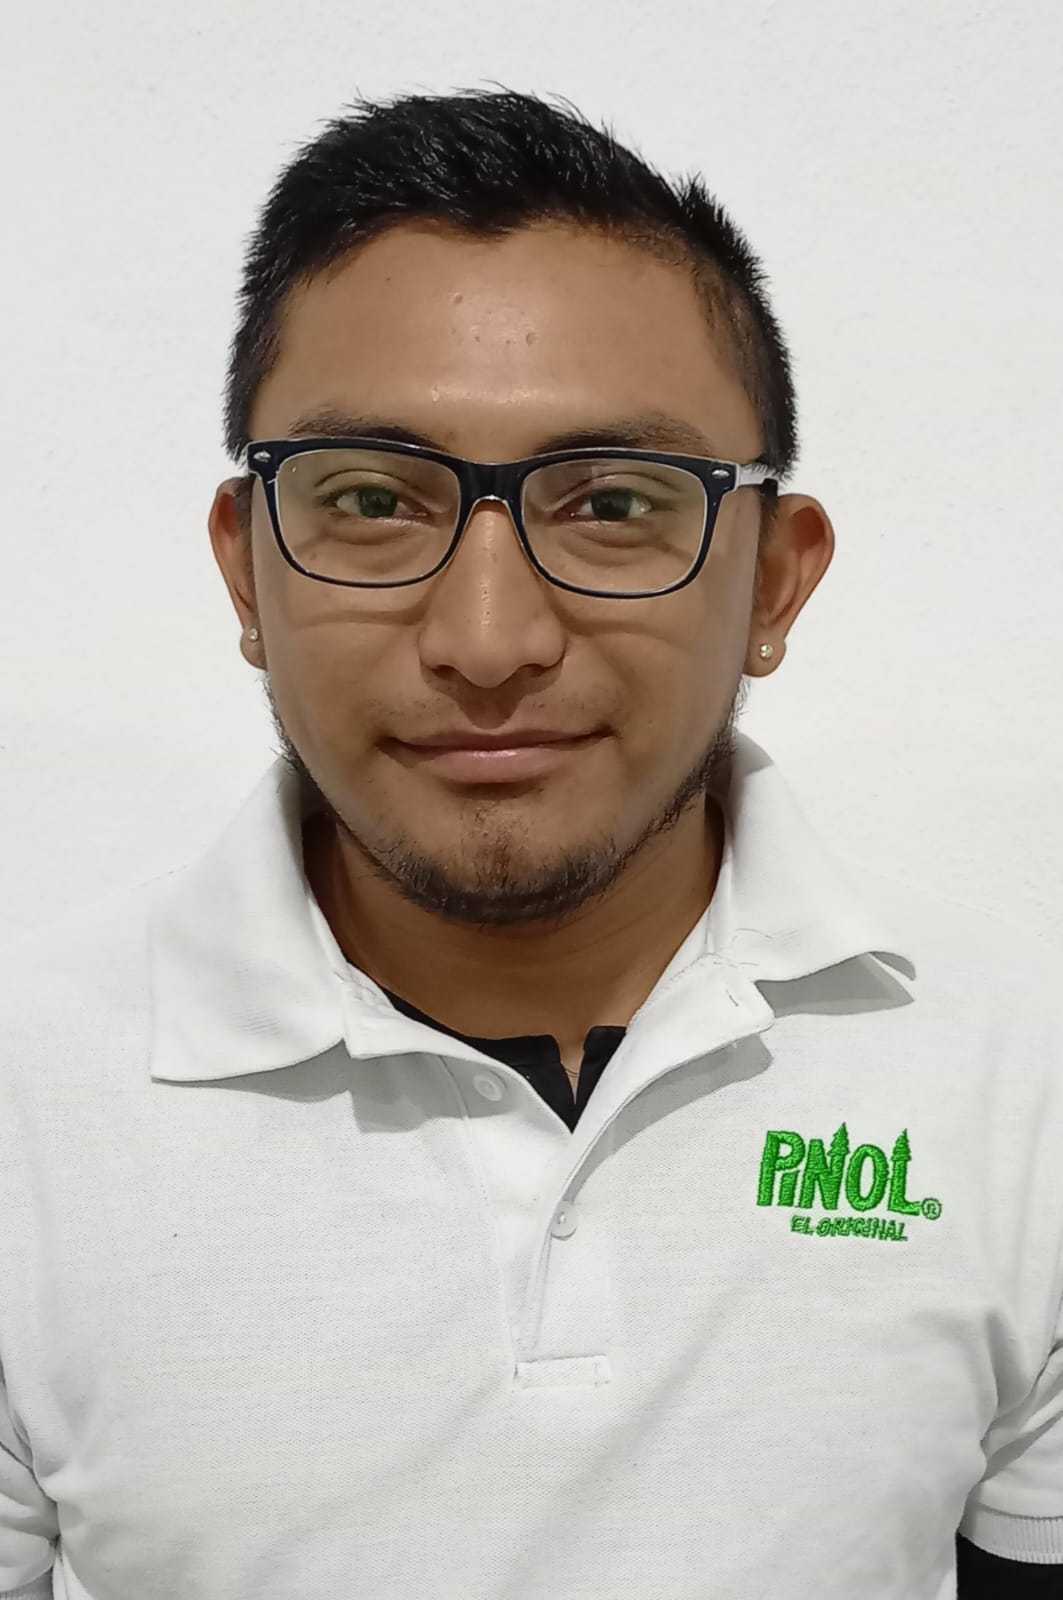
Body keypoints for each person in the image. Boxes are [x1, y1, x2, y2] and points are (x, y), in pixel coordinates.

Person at [1, 87, 1060, 1600]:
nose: (489, 641)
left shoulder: (1024, 1080)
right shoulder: (26, 1110)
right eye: (372, 498)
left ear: (775, 582)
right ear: (248, 571)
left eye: (615, 502)